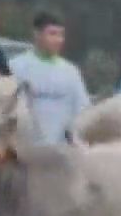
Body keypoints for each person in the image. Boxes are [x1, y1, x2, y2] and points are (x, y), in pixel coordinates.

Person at [10, 12, 92, 145]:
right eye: (52, 34)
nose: (58, 40)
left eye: (61, 35)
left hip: (61, 151)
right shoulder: (16, 67)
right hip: (27, 150)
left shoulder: (71, 71)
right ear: (37, 34)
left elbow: (82, 110)